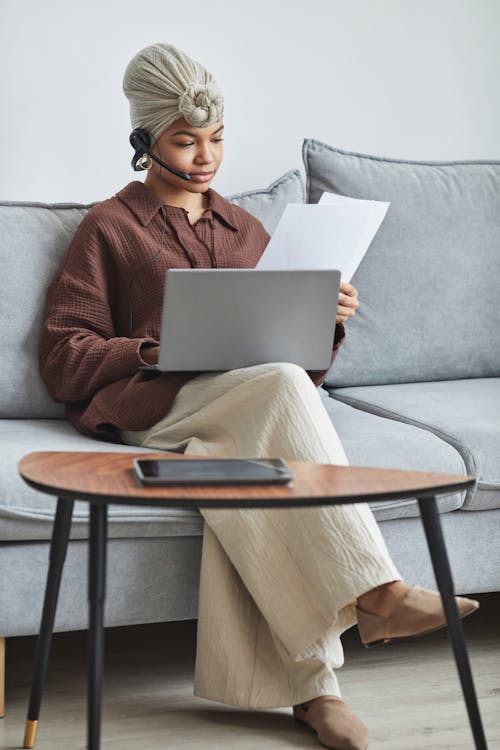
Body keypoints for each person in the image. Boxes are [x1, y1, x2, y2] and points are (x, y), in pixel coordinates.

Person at [39, 43, 479, 750]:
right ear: (144, 141)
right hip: (154, 411)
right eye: (187, 140)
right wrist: (152, 349)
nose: (207, 156)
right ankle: (377, 593)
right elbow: (64, 357)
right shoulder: (108, 228)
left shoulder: (248, 231)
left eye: (216, 139)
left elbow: (296, 378)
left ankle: (313, 689)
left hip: (244, 409)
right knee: (269, 394)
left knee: (252, 467)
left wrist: (322, 323)